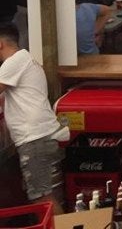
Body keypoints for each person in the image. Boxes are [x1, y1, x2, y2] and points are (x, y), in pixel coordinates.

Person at [0, 23, 70, 212]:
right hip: (39, 137)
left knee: (42, 200)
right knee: (42, 196)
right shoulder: (25, 59)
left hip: (34, 139)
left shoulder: (13, 62)